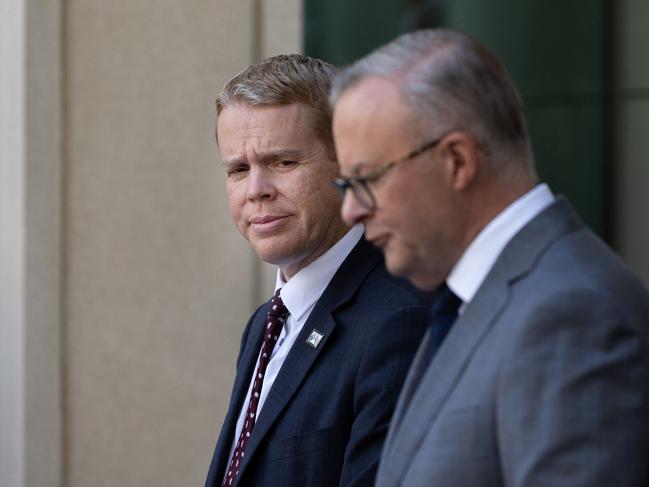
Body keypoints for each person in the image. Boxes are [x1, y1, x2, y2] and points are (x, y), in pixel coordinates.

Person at [331, 29, 649, 486]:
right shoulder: (470, 301)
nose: (352, 210)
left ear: (457, 161)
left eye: (367, 179)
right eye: (345, 187)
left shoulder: (569, 312)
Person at [205, 54, 429, 487]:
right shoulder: (265, 324)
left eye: (283, 162)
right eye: (238, 170)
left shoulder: (398, 321)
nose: (257, 191)